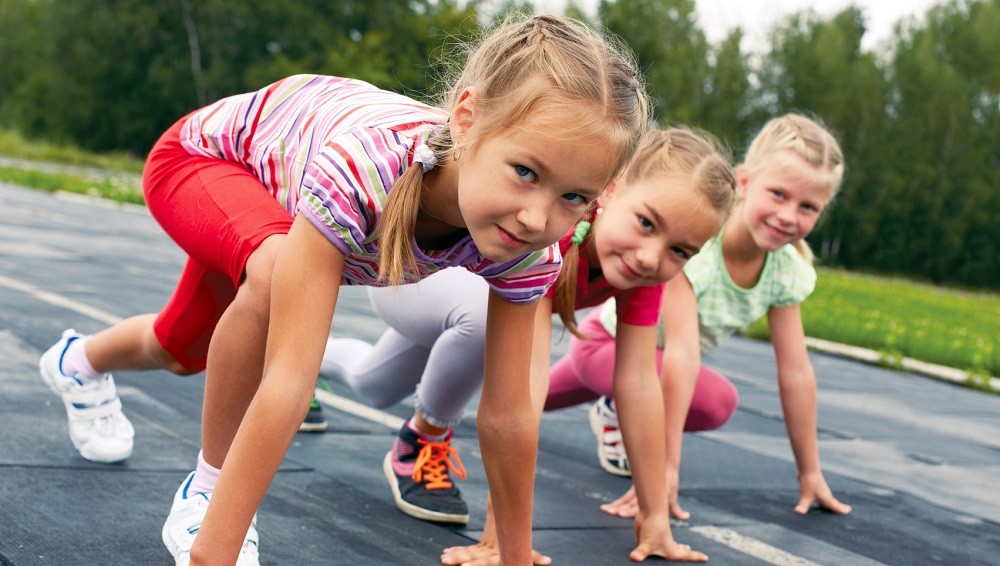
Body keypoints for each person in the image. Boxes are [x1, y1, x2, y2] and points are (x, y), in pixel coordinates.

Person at [36, 14, 650, 565]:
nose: (538, 217)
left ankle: (77, 363)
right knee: (272, 274)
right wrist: (214, 551)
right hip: (205, 162)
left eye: (573, 197)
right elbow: (288, 381)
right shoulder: (367, 170)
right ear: (466, 120)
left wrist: (513, 556)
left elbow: (511, 414)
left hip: (275, 211)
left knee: (179, 348)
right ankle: (206, 491)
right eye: (525, 172)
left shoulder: (532, 249)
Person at [322, 128, 737, 563]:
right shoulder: (550, 237)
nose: (653, 256)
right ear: (612, 192)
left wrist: (656, 518)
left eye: (680, 251)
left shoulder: (644, 273)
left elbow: (638, 385)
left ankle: (319, 364)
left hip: (457, 309)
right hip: (407, 279)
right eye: (647, 223)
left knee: (373, 384)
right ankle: (423, 437)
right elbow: (525, 388)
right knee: (490, 327)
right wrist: (501, 534)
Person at [545, 113, 853, 527]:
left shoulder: (786, 270)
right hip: (607, 344)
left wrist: (810, 471)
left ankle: (607, 406)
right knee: (706, 396)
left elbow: (796, 371)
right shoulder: (694, 246)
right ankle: (615, 407)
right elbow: (682, 354)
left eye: (808, 207)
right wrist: (662, 468)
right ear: (744, 183)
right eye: (778, 194)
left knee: (532, 396)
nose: (788, 215)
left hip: (640, 363)